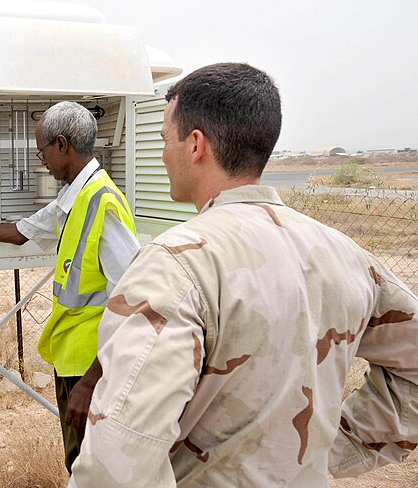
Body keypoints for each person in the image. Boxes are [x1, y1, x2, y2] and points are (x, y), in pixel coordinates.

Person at [70, 63, 418, 486]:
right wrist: (319, 452)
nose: (163, 154)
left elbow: (119, 460)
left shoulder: (176, 264)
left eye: (165, 139)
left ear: (195, 145)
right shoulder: (346, 255)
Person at [0, 101, 140, 473]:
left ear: (63, 145)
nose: (42, 161)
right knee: (79, 462)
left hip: (93, 366)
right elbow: (19, 232)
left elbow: (135, 298)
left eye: (43, 151)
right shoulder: (74, 198)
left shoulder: (102, 201)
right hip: (73, 359)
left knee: (93, 467)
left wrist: (92, 379)